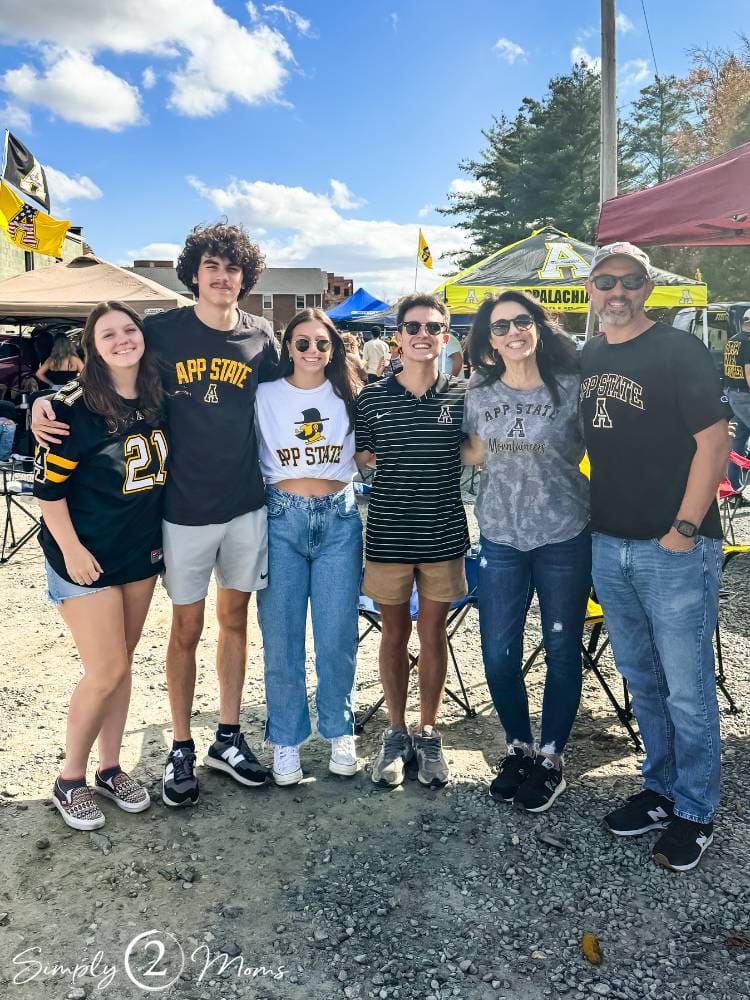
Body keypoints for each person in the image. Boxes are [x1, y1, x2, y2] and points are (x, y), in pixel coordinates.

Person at [33, 223, 279, 808]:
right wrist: (46, 401)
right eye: (211, 267)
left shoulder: (263, 338)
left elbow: (298, 391)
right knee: (174, 636)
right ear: (192, 273)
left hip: (240, 508)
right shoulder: (159, 332)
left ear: (246, 277)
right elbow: (107, 359)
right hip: (179, 516)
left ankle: (221, 737)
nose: (222, 278)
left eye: (233, 269)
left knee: (231, 625)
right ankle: (175, 748)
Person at [580, 242, 730, 872]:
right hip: (608, 543)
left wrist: (685, 527)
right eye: (605, 281)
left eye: (630, 281)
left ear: (648, 288)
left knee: (689, 688)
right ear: (591, 289)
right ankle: (660, 789)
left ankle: (697, 807)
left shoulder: (678, 350)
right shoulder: (587, 357)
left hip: (673, 547)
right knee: (642, 679)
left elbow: (714, 441)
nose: (617, 292)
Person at [33, 302, 168, 830]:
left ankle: (110, 767)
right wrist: (70, 549)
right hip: (84, 554)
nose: (121, 340)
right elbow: (48, 491)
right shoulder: (71, 407)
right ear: (92, 346)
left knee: (123, 662)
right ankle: (70, 777)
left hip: (138, 550)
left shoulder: (160, 396)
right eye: (107, 334)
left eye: (129, 329)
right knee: (106, 667)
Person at [462, 292, 590, 813]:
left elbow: (602, 449)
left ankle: (552, 757)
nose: (512, 332)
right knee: (497, 650)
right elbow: (472, 450)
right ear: (488, 340)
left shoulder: (573, 388)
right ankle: (518, 746)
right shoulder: (478, 391)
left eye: (521, 321)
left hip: (564, 534)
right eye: (499, 327)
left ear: (538, 327)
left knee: (561, 649)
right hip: (500, 536)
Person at [355, 293, 468, 789]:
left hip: (444, 534)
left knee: (433, 634)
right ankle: (395, 732)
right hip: (388, 533)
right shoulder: (373, 397)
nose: (424, 334)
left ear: (446, 336)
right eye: (413, 327)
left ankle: (428, 731)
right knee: (394, 634)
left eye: (433, 327)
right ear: (397, 337)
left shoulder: (463, 395)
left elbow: (478, 450)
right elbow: (360, 455)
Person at [255, 309, 362, 785]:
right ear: (288, 348)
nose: (313, 351)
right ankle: (286, 740)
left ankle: (340, 729)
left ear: (335, 348)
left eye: (322, 343)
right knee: (282, 638)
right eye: (302, 343)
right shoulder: (264, 396)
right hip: (281, 518)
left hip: (339, 517)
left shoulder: (352, 394)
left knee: (337, 635)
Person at [722, 308, 750, 491]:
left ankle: (733, 487)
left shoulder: (733, 341)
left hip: (732, 393)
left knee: (739, 440)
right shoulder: (748, 343)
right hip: (745, 396)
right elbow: (749, 372)